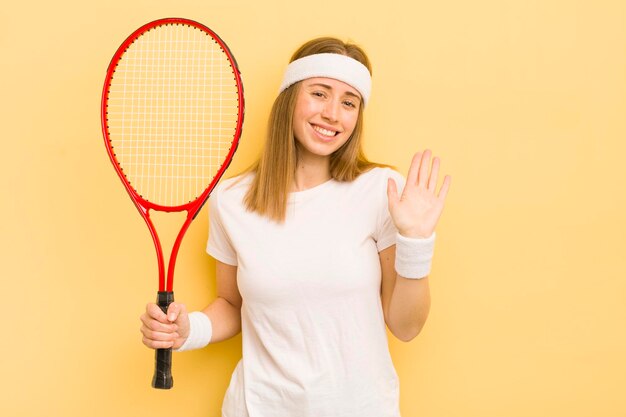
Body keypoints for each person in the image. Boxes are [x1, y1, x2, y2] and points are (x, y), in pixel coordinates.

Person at [140, 37, 451, 417]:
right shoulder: (231, 200)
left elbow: (406, 326)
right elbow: (233, 304)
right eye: (319, 93)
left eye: (349, 102)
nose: (333, 114)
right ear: (290, 97)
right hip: (258, 407)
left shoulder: (381, 191)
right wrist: (190, 331)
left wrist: (416, 242)